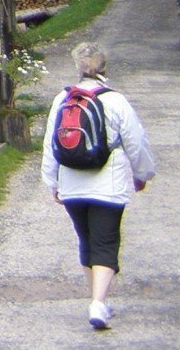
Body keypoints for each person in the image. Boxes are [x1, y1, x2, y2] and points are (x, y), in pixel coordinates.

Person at [42, 40, 157, 331]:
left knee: (87, 240)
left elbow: (50, 144)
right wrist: (142, 174)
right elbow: (135, 141)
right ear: (104, 67)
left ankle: (98, 300)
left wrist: (52, 181)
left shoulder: (62, 99)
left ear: (77, 67)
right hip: (109, 184)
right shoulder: (115, 100)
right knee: (106, 242)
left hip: (71, 184)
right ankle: (98, 303)